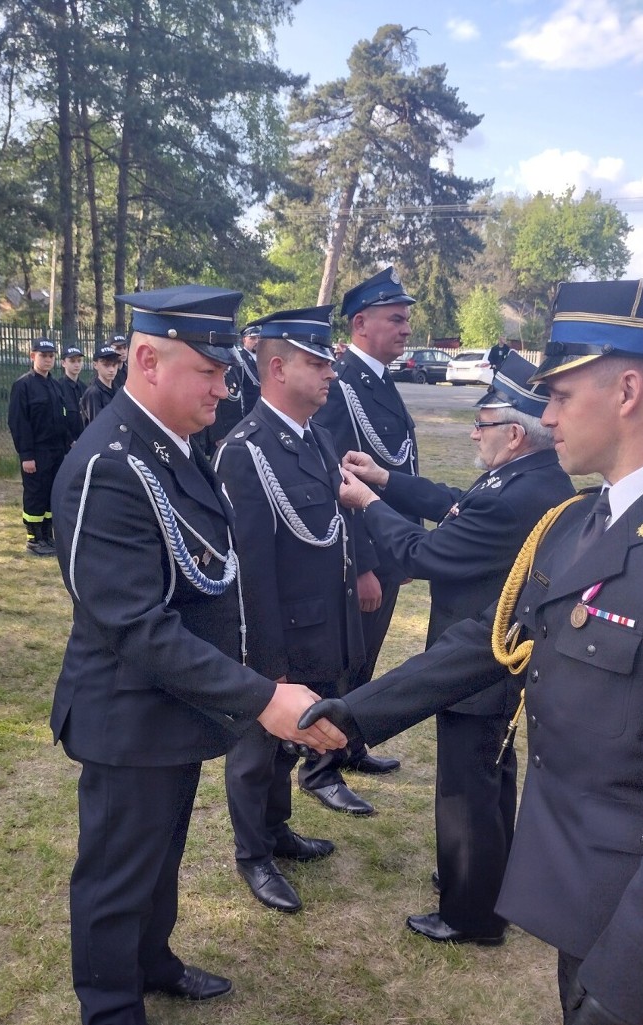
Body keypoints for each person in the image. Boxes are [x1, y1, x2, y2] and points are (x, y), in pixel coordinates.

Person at [300, 279, 643, 1025]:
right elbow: (485, 641)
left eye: (560, 394)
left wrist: (639, 967)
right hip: (579, 872)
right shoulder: (577, 521)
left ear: (626, 390)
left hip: (641, 901)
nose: (546, 415)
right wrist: (356, 713)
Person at [49, 285, 347, 1025]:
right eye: (210, 372)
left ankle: (152, 961)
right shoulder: (111, 465)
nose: (225, 388)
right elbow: (134, 626)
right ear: (147, 361)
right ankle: (111, 1011)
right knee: (119, 867)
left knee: (160, 854)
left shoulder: (169, 443)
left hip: (172, 711)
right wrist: (258, 695)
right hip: (125, 714)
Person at [339, 352, 574, 944]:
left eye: (484, 423)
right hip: (499, 655)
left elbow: (425, 556)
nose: (473, 431)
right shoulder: (527, 478)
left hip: (480, 660)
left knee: (467, 785)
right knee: (490, 774)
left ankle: (469, 917)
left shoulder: (518, 493)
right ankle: (487, 886)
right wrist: (388, 481)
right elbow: (455, 503)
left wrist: (367, 506)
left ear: (515, 434)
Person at [213, 306, 364, 913]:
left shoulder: (316, 437)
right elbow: (250, 571)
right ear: (275, 367)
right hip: (273, 635)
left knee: (285, 742)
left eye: (329, 360)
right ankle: (253, 854)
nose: (330, 371)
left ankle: (276, 832)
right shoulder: (244, 452)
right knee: (255, 748)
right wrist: (265, 665)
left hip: (316, 623)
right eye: (315, 361)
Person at [301, 265, 419, 813]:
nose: (405, 329)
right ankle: (320, 766)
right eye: (395, 319)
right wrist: (364, 565)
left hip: (389, 544)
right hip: (362, 552)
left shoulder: (376, 379)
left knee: (366, 656)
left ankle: (350, 744)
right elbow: (336, 480)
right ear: (361, 323)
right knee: (342, 659)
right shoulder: (341, 384)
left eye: (406, 319)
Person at [7, 337, 69, 555]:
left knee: (51, 493)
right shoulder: (23, 385)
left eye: (51, 356)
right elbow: (19, 423)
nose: (48, 360)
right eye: (43, 355)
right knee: (35, 494)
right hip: (36, 451)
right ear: (32, 356)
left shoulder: (54, 385)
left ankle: (46, 535)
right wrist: (26, 455)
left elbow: (61, 419)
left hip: (56, 452)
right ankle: (33, 539)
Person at [193, 322, 261, 459]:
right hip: (222, 430)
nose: (257, 341)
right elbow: (219, 404)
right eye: (252, 338)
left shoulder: (235, 366)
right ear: (244, 340)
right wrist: (218, 434)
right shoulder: (239, 363)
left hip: (235, 427)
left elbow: (239, 395)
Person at [79, 345, 120, 426]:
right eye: (106, 365)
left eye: (114, 365)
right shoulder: (93, 393)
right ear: (95, 365)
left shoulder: (118, 390)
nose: (111, 369)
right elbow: (97, 426)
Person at [57, 345, 87, 444]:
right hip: (65, 445)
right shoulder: (58, 387)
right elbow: (58, 419)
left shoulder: (85, 388)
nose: (77, 364)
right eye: (72, 361)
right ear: (63, 363)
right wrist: (70, 441)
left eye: (79, 361)